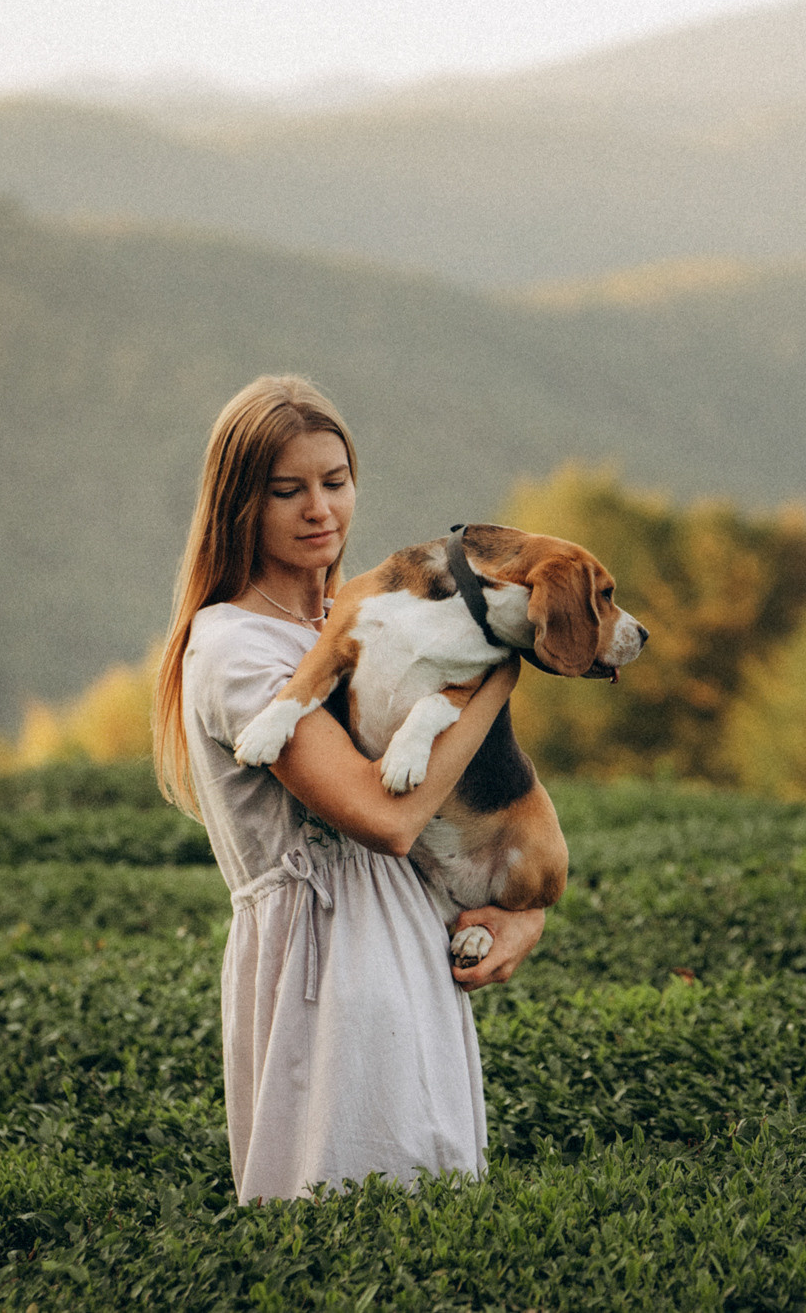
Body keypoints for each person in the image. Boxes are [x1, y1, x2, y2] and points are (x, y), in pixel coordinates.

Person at [152, 374, 542, 1201]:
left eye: (335, 481)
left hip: (416, 949)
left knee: (436, 1225)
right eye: (286, 490)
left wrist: (522, 911)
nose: (319, 509)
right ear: (237, 505)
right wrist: (500, 673)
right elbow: (385, 817)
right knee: (341, 1211)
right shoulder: (233, 647)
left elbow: (464, 804)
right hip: (326, 968)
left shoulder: (365, 623)